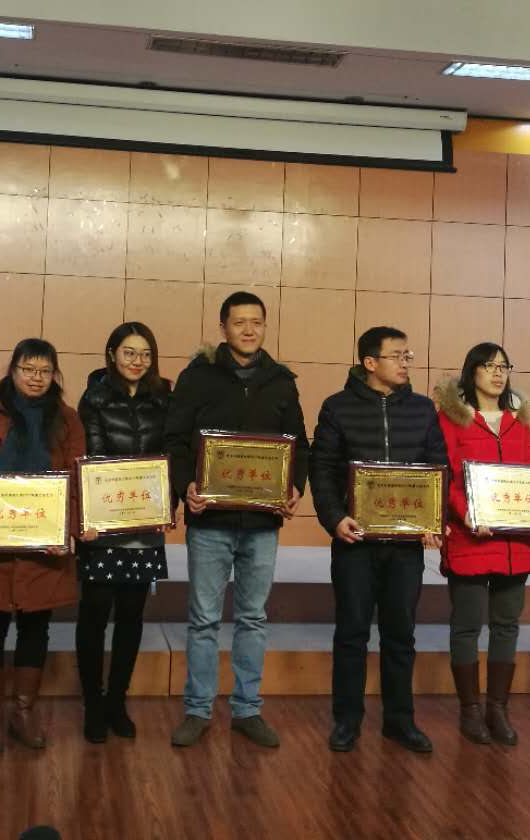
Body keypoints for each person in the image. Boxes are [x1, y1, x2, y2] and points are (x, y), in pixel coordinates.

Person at [164, 291, 309, 749]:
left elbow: (299, 444)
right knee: (204, 619)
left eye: (256, 322)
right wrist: (185, 485)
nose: (249, 330)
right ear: (223, 327)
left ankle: (247, 709)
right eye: (239, 322)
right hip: (210, 521)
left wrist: (294, 486)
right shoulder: (197, 377)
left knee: (253, 618)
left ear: (265, 327)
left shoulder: (281, 381)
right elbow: (175, 439)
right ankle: (197, 709)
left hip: (261, 523)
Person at [310, 326, 447, 754]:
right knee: (351, 632)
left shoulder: (422, 409)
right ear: (370, 362)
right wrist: (334, 519)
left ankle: (399, 721)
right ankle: (346, 721)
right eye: (397, 356)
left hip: (405, 546)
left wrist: (433, 519)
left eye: (408, 356)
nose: (405, 363)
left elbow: (438, 466)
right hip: (355, 541)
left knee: (400, 634)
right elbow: (322, 469)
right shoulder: (337, 407)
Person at [0, 339, 86, 752]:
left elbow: (76, 480)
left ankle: (23, 711)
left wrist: (66, 531)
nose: (36, 377)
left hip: (44, 551)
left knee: (36, 627)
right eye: (28, 369)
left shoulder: (67, 420)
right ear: (12, 370)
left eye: (44, 371)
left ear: (54, 375)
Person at [433, 342, 530, 747]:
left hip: (515, 541)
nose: (498, 373)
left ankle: (498, 708)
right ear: (471, 371)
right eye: (488, 366)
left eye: (503, 366)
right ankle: (470, 710)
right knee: (466, 626)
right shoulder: (451, 419)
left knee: (507, 625)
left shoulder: (519, 421)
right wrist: (468, 515)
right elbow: (444, 475)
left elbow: (529, 476)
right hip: (470, 537)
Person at [75, 322, 172, 744]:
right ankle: (93, 704)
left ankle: (117, 701)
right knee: (95, 613)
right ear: (112, 353)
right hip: (103, 523)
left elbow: (170, 454)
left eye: (145, 354)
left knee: (132, 615)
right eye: (129, 352)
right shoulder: (94, 398)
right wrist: (93, 511)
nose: (137, 361)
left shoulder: (163, 398)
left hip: (145, 523)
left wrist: (167, 500)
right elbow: (90, 456)